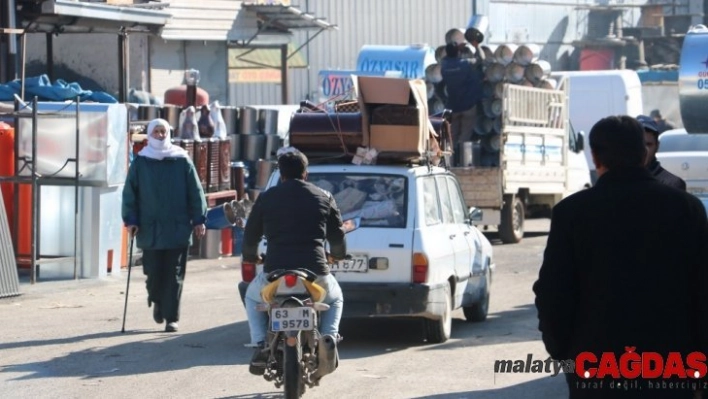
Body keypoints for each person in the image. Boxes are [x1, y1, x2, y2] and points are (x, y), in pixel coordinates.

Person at [533, 115, 708, 399]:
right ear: (643, 153)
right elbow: (702, 295)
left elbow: (553, 294)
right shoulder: (686, 209)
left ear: (596, 157)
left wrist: (566, 353)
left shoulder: (572, 213)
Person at [242, 147, 347, 375]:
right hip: (315, 271)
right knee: (335, 297)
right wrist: (337, 255)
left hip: (275, 271)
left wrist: (251, 257)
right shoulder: (324, 196)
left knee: (251, 296)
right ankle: (327, 337)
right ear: (306, 173)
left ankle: (260, 343)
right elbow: (337, 235)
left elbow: (250, 234)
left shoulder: (267, 198)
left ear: (281, 175)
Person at [122, 118, 207, 333]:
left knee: (175, 274)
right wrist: (131, 220)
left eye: (163, 131)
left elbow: (195, 192)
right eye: (156, 132)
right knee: (153, 273)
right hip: (150, 229)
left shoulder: (181, 160)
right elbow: (130, 194)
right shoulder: (141, 162)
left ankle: (171, 317)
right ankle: (157, 300)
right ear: (149, 135)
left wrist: (199, 220)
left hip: (177, 228)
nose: (160, 135)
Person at [440, 41, 484, 148]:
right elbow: (481, 59)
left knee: (453, 135)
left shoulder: (444, 66)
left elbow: (446, 58)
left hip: (453, 106)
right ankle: (462, 158)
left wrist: (455, 50)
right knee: (465, 135)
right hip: (468, 105)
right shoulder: (465, 64)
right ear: (458, 52)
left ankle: (451, 161)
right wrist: (476, 45)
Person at [637, 114, 686, 191]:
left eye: (648, 144)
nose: (644, 150)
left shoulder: (671, 184)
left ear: (657, 146)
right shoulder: (619, 182)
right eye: (638, 144)